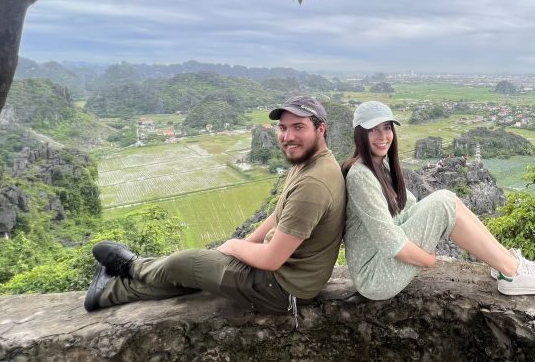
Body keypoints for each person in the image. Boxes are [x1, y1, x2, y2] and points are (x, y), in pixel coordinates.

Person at [84, 97, 346, 324]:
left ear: (320, 129)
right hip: (290, 279)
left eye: (298, 127)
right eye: (283, 127)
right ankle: (109, 292)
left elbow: (270, 260)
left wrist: (233, 246)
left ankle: (130, 269)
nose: (288, 137)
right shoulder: (309, 164)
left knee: (185, 263)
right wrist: (246, 244)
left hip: (280, 289)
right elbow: (278, 215)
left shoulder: (313, 184)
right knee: (199, 271)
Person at [342, 100, 535, 300]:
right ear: (359, 135)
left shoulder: (380, 166)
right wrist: (428, 260)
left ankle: (506, 263)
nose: (383, 136)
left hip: (382, 262)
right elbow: (389, 241)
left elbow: (404, 213)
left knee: (450, 200)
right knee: (444, 201)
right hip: (375, 277)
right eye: (373, 130)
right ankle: (512, 272)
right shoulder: (360, 175)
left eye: (387, 127)